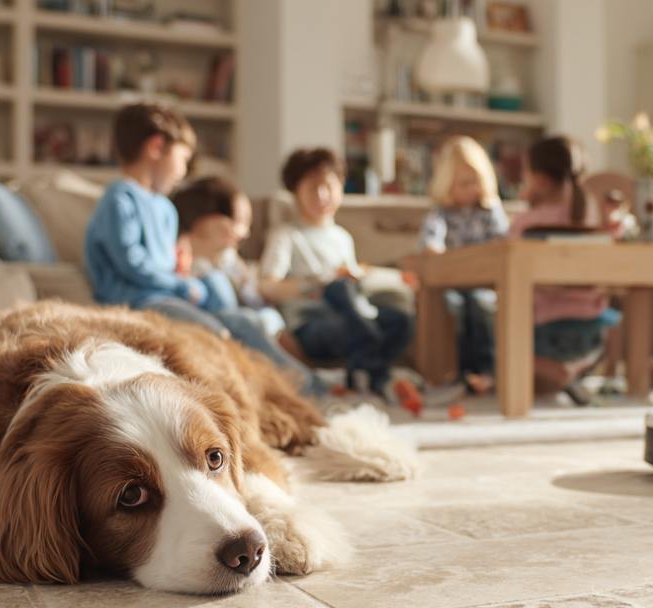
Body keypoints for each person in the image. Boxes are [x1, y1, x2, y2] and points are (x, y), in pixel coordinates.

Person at [82, 104, 320, 392]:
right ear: (156, 148)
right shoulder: (119, 199)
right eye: (183, 159)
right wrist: (181, 286)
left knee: (241, 318)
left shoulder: (165, 208)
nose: (183, 171)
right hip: (139, 300)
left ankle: (309, 385)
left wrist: (185, 275)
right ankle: (266, 386)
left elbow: (171, 265)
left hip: (171, 294)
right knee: (215, 332)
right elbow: (132, 264)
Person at [259, 147, 412, 398]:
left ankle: (360, 375)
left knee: (400, 321)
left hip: (354, 320)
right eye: (311, 188)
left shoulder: (342, 238)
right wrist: (321, 282)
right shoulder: (286, 236)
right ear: (295, 192)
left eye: (328, 186)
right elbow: (266, 286)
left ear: (341, 188)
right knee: (339, 288)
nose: (321, 195)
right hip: (310, 325)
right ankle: (379, 377)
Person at [171, 175, 325, 395]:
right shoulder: (180, 250)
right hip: (212, 322)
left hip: (242, 319)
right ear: (213, 222)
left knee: (266, 318)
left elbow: (253, 296)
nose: (246, 233)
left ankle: (304, 379)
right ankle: (307, 383)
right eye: (241, 223)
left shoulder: (229, 260)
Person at [509, 135, 621, 401]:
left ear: (540, 180)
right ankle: (574, 371)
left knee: (495, 332)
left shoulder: (526, 224)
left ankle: (556, 372)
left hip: (545, 333)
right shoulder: (593, 218)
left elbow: (504, 264)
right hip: (593, 334)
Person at [418, 136, 509, 392]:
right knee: (456, 306)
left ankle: (485, 371)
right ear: (448, 184)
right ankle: (460, 373)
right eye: (463, 183)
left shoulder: (491, 211)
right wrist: (433, 249)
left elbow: (505, 243)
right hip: (453, 284)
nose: (471, 189)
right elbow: (431, 239)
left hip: (486, 284)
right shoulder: (441, 213)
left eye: (476, 182)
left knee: (480, 305)